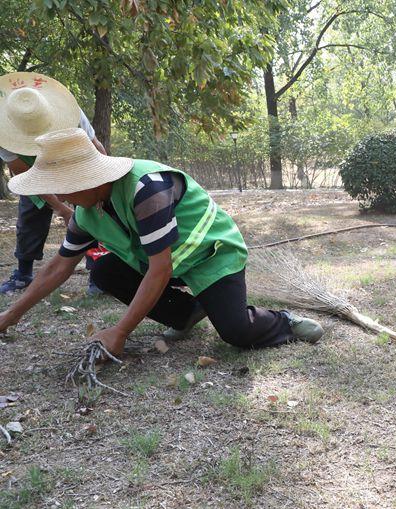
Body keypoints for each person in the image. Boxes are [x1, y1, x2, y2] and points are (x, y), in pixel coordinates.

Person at [0, 128, 324, 355]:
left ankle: (283, 322)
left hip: (212, 254)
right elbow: (57, 267)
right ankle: (187, 314)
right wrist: (9, 317)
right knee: (104, 271)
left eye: (61, 186)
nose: (58, 196)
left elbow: (160, 269)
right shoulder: (87, 213)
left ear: (87, 178)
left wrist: (120, 332)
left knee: (236, 332)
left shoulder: (146, 189)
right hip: (164, 261)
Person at [0, 72, 107, 295]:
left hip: (73, 162)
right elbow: (24, 178)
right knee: (30, 213)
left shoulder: (71, 113)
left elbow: (96, 147)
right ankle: (23, 274)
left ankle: (99, 273)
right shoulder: (4, 131)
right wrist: (63, 209)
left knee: (94, 213)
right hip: (35, 170)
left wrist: (103, 189)